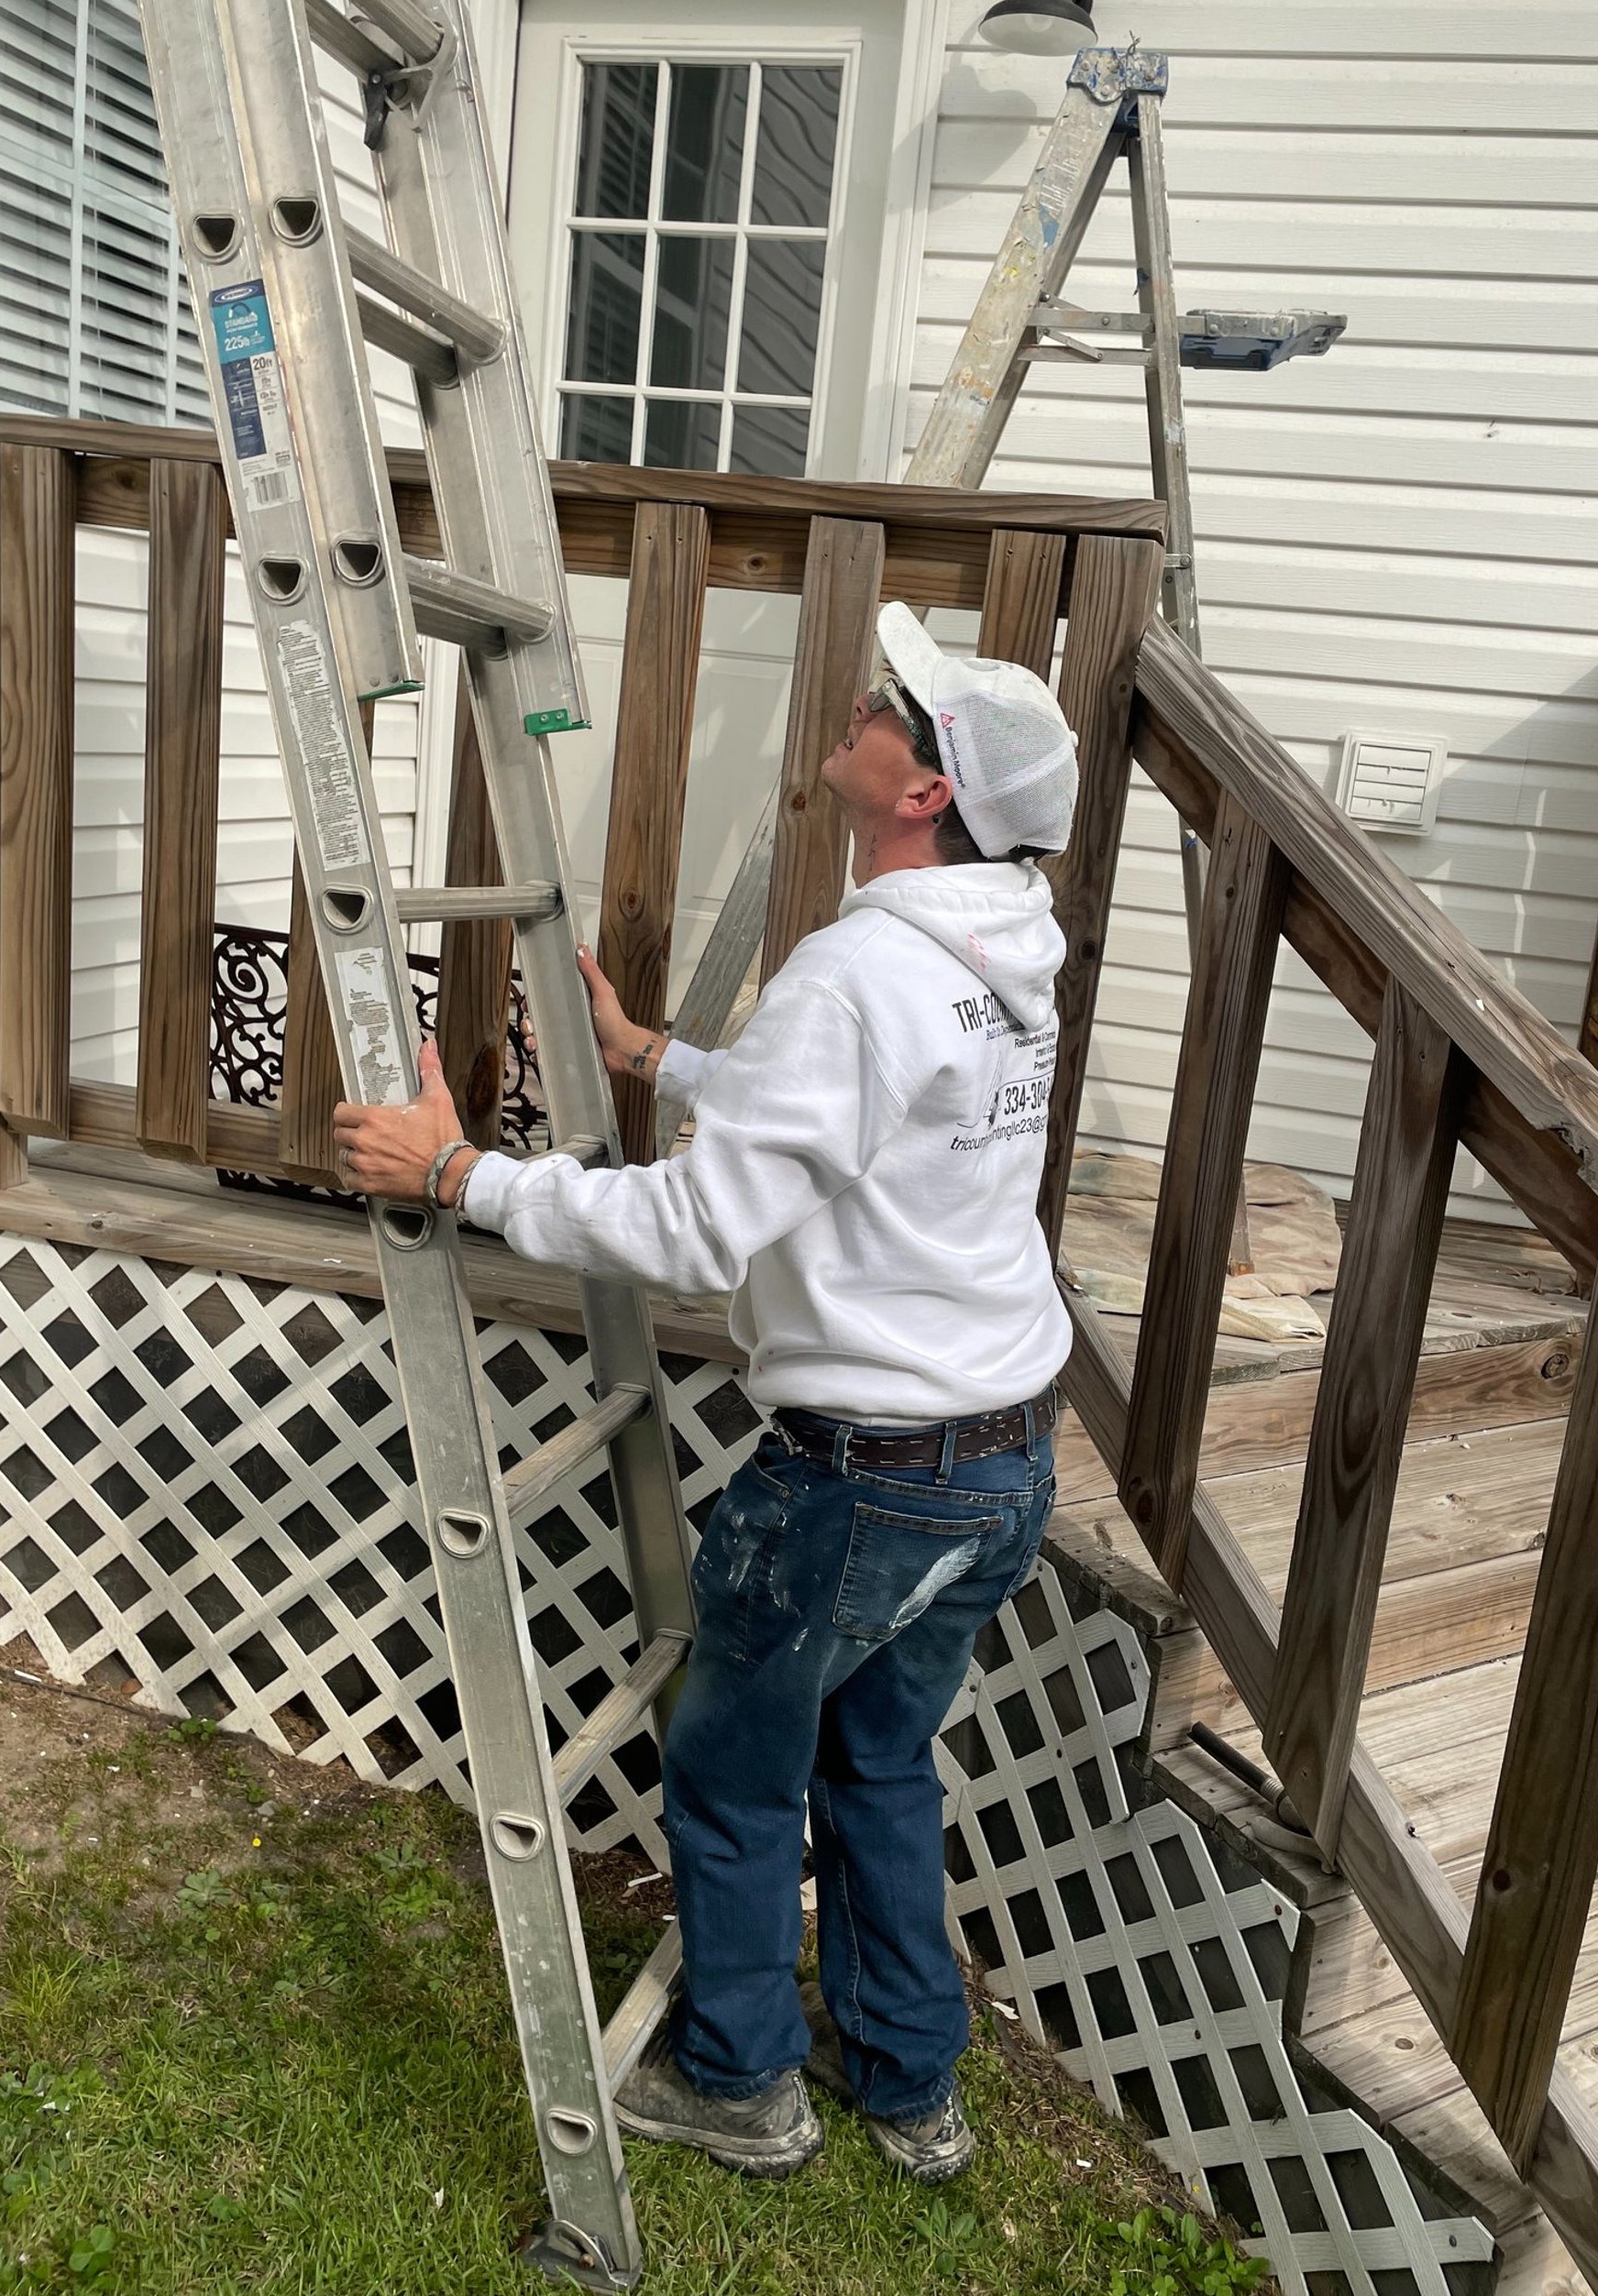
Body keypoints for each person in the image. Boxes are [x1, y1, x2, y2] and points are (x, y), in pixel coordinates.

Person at [332, 600, 1079, 2186]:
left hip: (869, 1475)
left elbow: (695, 1229)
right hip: (1003, 1457)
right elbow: (865, 1112)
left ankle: (742, 2081)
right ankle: (910, 2085)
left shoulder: (862, 969)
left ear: (922, 788)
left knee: (737, 1774)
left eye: (887, 706)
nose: (859, 705)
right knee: (880, 1759)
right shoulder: (1001, 944)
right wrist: (658, 1057)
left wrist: (460, 1175)